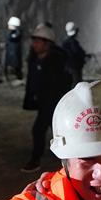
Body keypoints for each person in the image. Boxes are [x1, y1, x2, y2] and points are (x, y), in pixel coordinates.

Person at [21, 23, 72, 172]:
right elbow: (33, 81)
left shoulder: (58, 61)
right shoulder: (35, 60)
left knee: (50, 131)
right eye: (34, 40)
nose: (34, 44)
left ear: (47, 43)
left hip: (56, 104)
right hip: (44, 103)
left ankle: (71, 160)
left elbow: (65, 83)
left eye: (38, 41)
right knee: (44, 130)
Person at [5, 16, 23, 81]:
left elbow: (14, 37)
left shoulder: (17, 33)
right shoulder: (11, 33)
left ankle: (18, 76)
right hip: (11, 52)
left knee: (16, 65)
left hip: (15, 53)